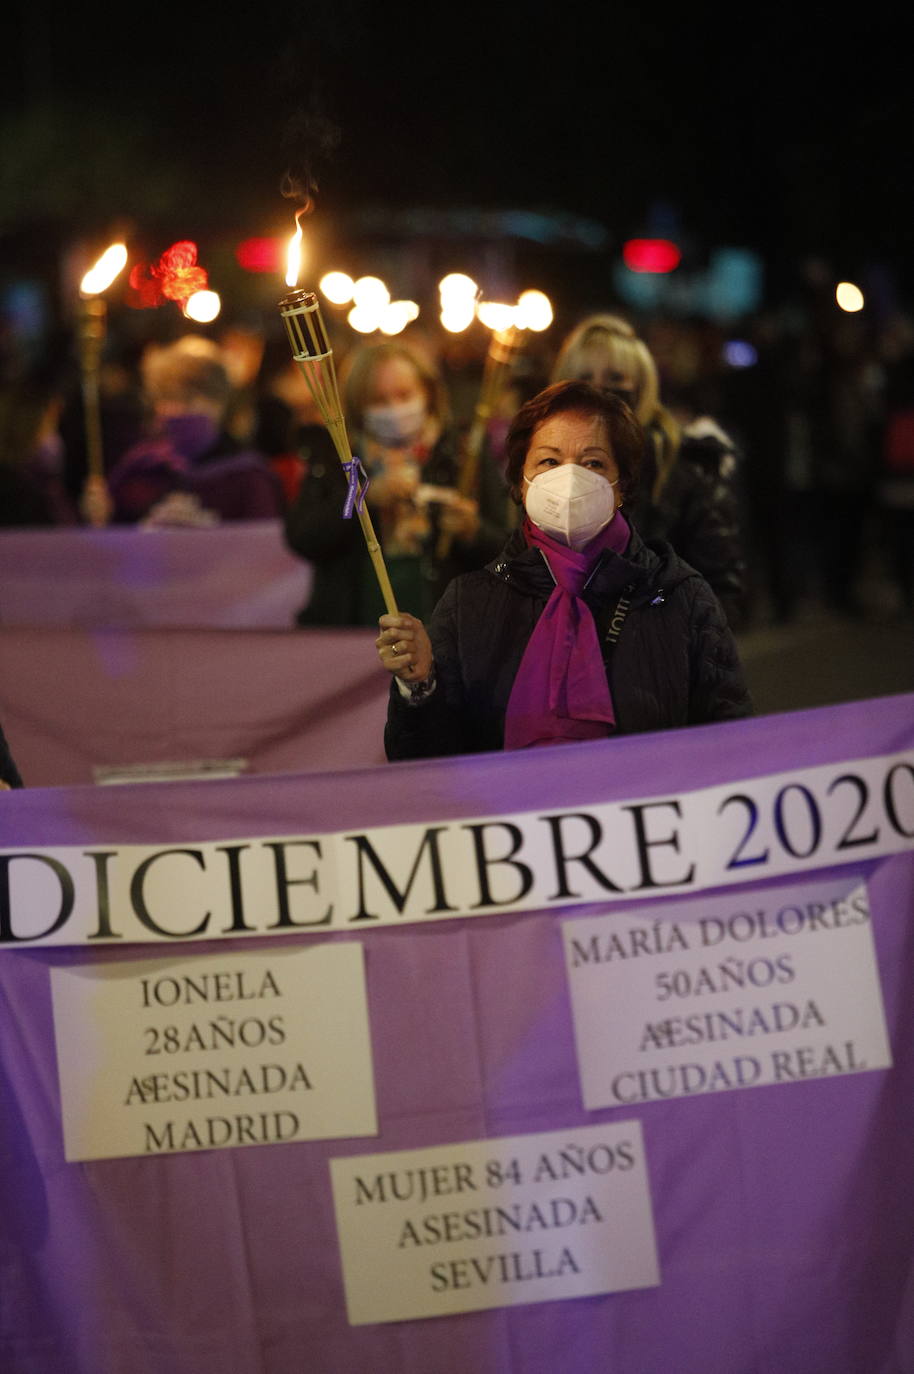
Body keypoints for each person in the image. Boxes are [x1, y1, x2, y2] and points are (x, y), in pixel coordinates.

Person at [378, 381, 751, 760]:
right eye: (549, 461)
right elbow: (424, 766)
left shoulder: (678, 596)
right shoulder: (470, 601)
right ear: (521, 482)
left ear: (621, 486)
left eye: (593, 463)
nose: (570, 479)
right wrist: (420, 686)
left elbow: (731, 740)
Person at [284, 339, 510, 626]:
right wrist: (363, 501)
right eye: (379, 400)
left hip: (450, 631)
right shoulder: (339, 456)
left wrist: (473, 531)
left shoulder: (465, 453)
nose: (394, 408)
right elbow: (304, 537)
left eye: (404, 395)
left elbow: (507, 551)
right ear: (357, 405)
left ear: (427, 392)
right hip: (350, 631)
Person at [552, 315, 748, 626]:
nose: (598, 391)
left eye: (615, 379)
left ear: (641, 387)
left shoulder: (684, 466)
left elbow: (720, 590)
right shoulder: (544, 468)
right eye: (584, 378)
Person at [106, 336, 282, 524]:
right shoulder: (141, 468)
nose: (175, 409)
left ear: (219, 403)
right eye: (168, 397)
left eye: (188, 399)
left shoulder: (248, 476)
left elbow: (262, 541)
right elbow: (114, 537)